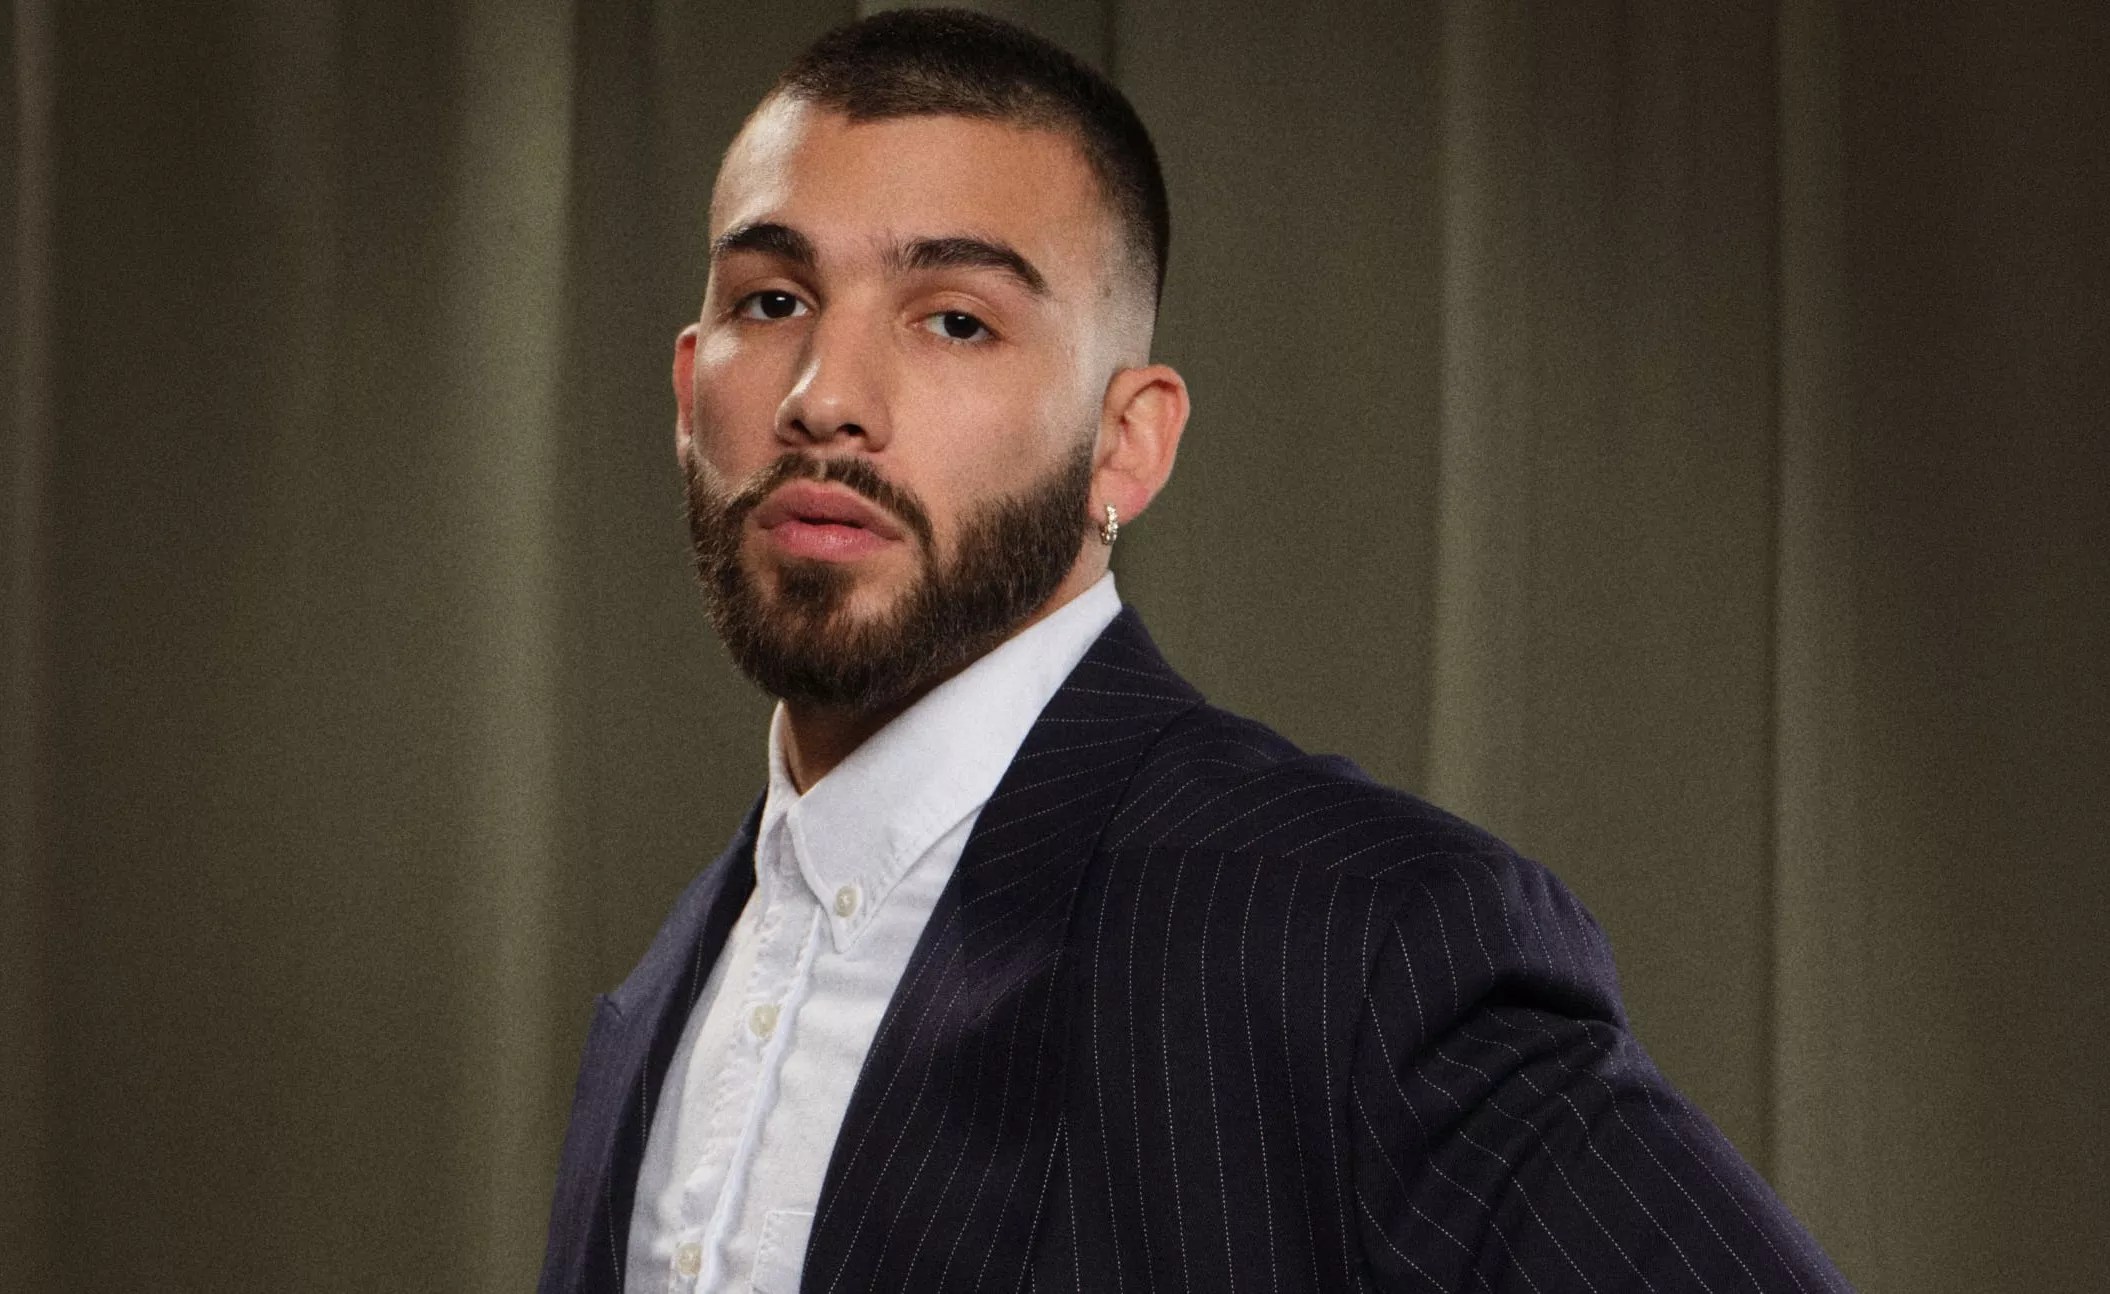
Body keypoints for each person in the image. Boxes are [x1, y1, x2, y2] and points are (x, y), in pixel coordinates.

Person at [540, 10, 1848, 1292]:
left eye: (954, 320)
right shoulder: (664, 1001)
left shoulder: (1357, 941)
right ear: (685, 386)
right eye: (770, 299)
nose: (822, 393)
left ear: (1127, 441)